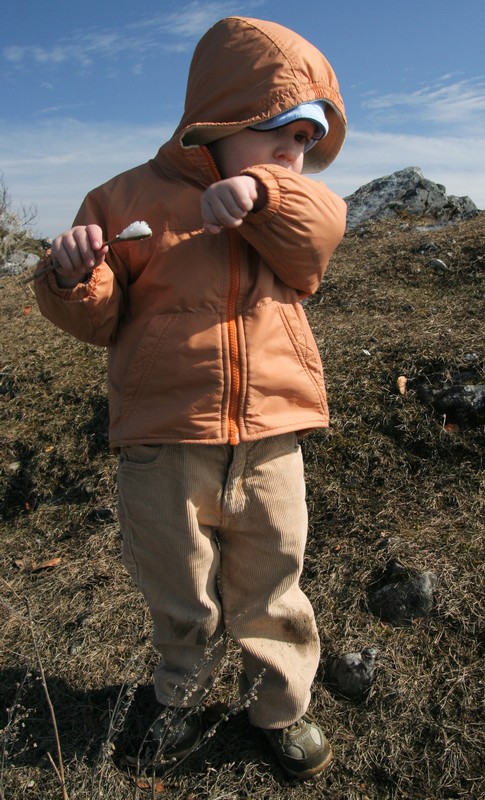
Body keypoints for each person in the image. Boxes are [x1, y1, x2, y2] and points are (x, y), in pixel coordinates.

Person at [33, 16, 347, 780]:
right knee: (178, 589)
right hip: (163, 441)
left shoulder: (290, 204)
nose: (294, 152)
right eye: (280, 131)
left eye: (307, 139)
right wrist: (73, 276)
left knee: (273, 585)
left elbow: (318, 236)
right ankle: (178, 697)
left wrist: (264, 189)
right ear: (221, 120)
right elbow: (98, 320)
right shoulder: (122, 197)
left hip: (269, 437)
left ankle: (280, 707)